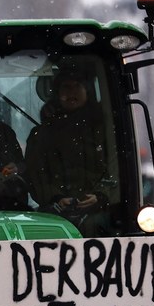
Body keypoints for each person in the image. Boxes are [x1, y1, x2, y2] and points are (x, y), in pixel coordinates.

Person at [26, 68, 115, 228]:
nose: (71, 92)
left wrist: (100, 196)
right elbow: (36, 174)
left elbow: (115, 167)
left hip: (100, 213)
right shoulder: (41, 135)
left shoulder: (105, 130)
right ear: (57, 93)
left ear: (87, 90)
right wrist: (56, 198)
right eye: (66, 87)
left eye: (77, 86)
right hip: (53, 214)